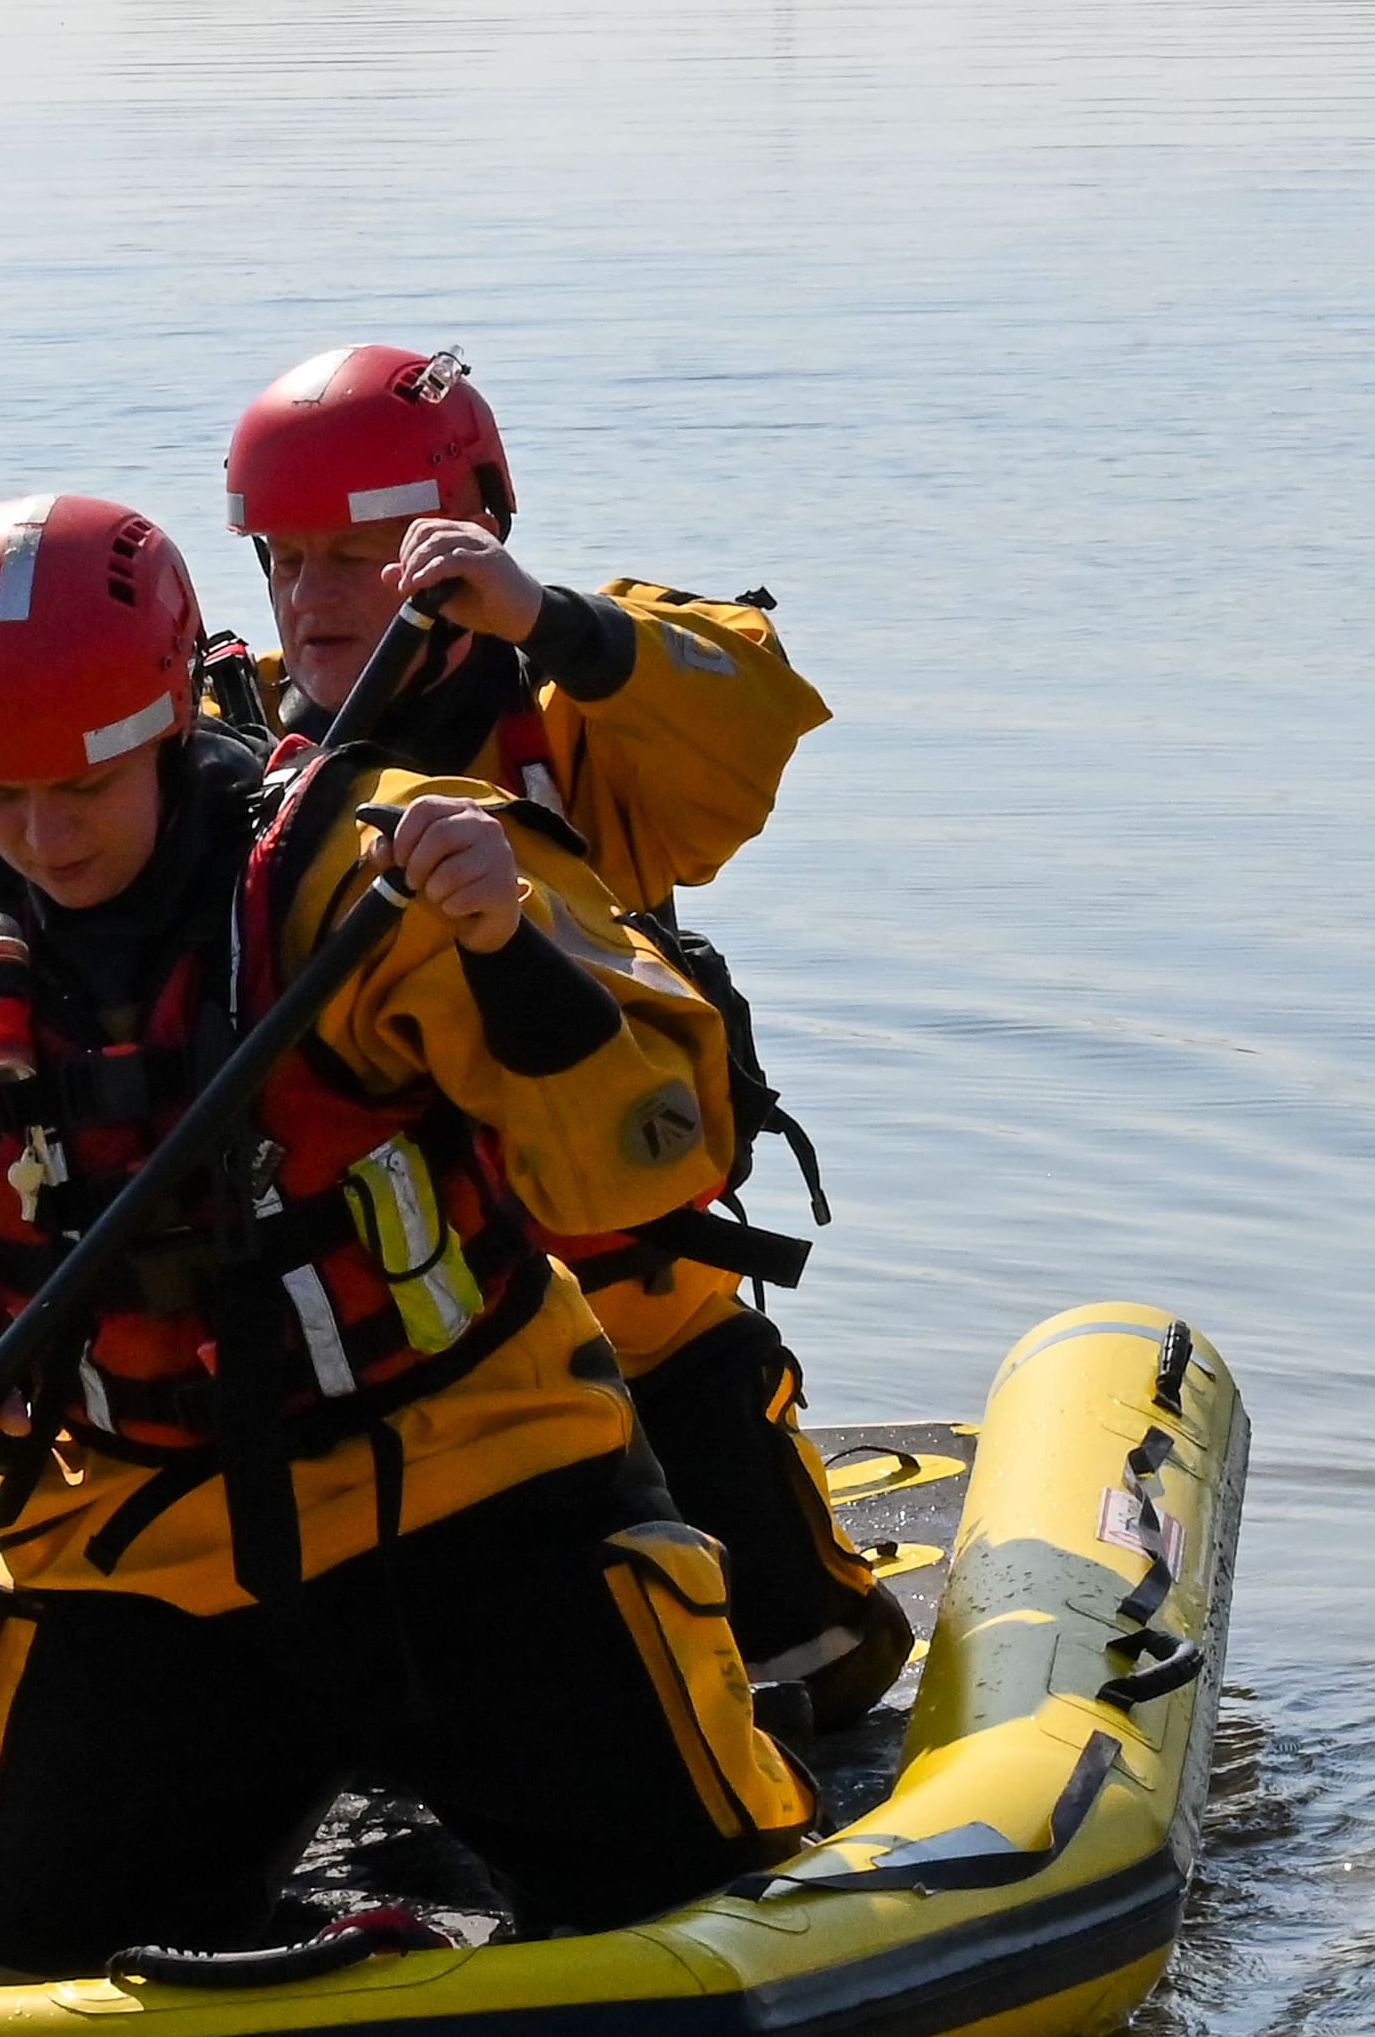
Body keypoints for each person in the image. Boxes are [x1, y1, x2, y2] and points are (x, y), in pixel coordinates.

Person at [0, 492, 814, 1981]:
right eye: (1, 799)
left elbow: (633, 1160)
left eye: (85, 789)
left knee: (699, 1907)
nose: (46, 839)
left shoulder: (373, 872)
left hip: (480, 1490)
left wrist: (503, 942)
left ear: (168, 725)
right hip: (144, 1544)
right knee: (3, 1974)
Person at [217, 339, 909, 1732]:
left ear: (455, 543)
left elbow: (750, 719)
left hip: (628, 1313)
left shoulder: (575, 715)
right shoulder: (221, 765)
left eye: (357, 559)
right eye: (285, 560)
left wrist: (551, 621)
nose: (312, 598)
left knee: (820, 1664)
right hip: (381, 1347)